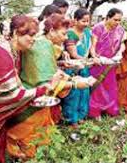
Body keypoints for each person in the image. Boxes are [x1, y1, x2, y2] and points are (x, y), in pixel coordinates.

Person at [6, 14, 90, 159]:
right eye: (63, 34)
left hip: (32, 95)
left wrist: (63, 69)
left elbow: (48, 70)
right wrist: (75, 83)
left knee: (39, 134)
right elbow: (44, 82)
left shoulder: (44, 44)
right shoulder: (41, 46)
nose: (65, 38)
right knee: (30, 138)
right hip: (31, 99)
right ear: (51, 31)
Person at [0, 15, 51, 163]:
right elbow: (11, 96)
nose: (33, 39)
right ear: (14, 34)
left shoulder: (12, 51)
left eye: (35, 36)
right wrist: (39, 91)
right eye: (29, 35)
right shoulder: (0, 55)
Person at [89, 8, 125, 119]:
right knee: (98, 88)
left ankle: (110, 109)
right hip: (99, 63)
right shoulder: (98, 28)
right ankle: (96, 111)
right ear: (108, 17)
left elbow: (123, 44)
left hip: (111, 63)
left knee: (110, 87)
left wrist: (119, 53)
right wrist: (95, 57)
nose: (117, 23)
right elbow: (92, 46)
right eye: (115, 20)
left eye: (119, 20)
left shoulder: (120, 30)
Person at [62, 8, 94, 127]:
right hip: (73, 67)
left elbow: (90, 47)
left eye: (87, 21)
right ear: (75, 20)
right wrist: (85, 60)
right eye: (83, 21)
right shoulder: (70, 33)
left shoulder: (87, 32)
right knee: (73, 94)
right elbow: (73, 53)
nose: (86, 24)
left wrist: (93, 57)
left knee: (84, 92)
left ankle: (81, 115)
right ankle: (71, 119)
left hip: (84, 66)